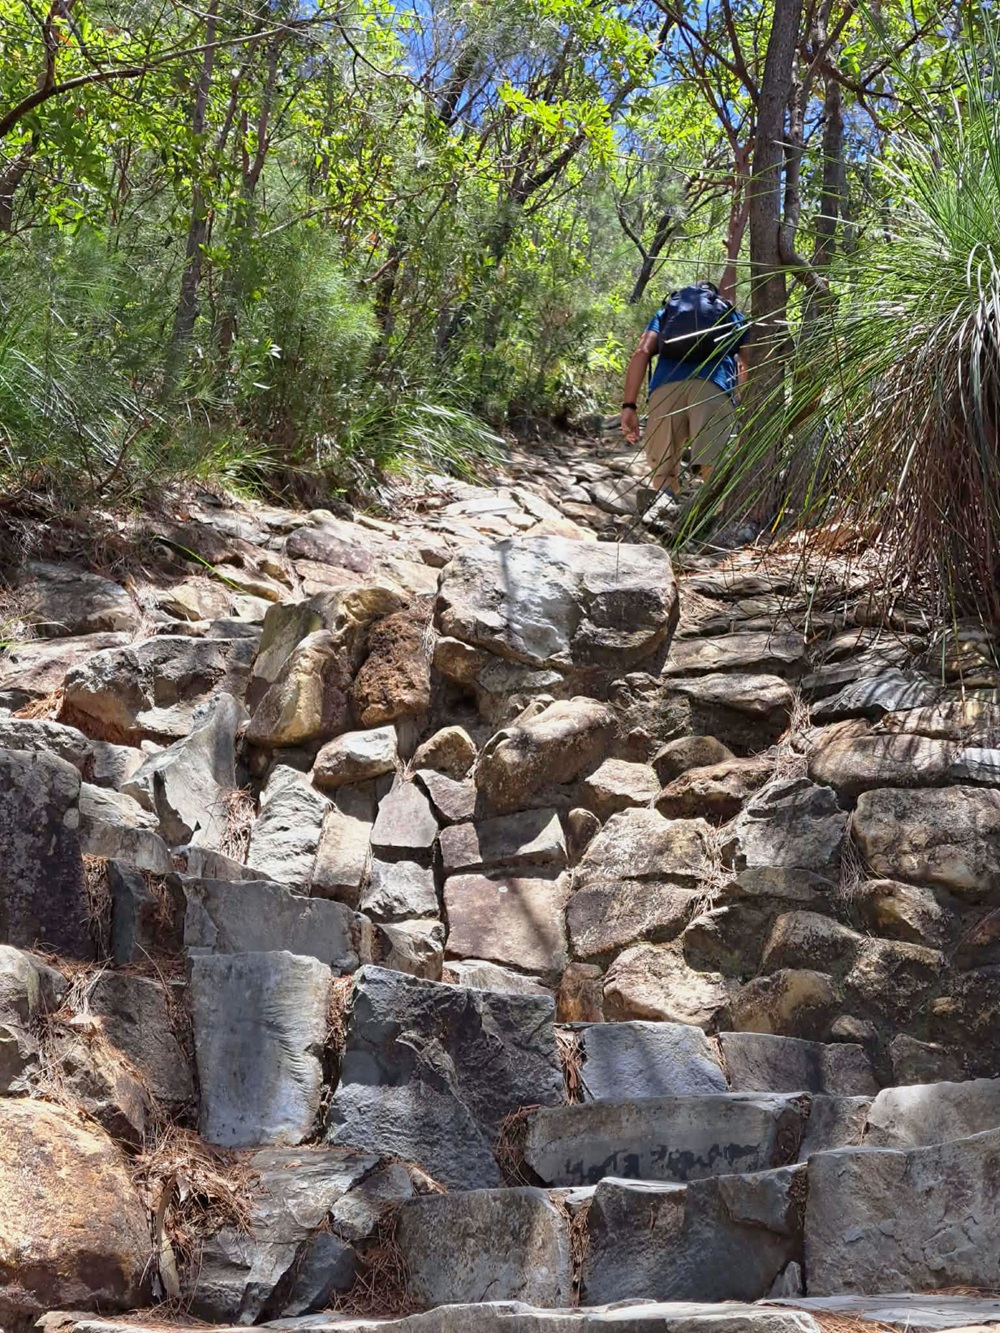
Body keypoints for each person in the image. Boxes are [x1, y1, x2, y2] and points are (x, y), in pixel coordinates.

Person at [620, 281, 749, 524]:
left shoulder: (667, 312)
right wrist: (746, 401)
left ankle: (666, 523)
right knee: (715, 468)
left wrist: (629, 406)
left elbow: (641, 352)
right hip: (713, 387)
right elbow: (750, 361)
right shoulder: (731, 314)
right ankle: (712, 531)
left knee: (664, 470)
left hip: (665, 391)